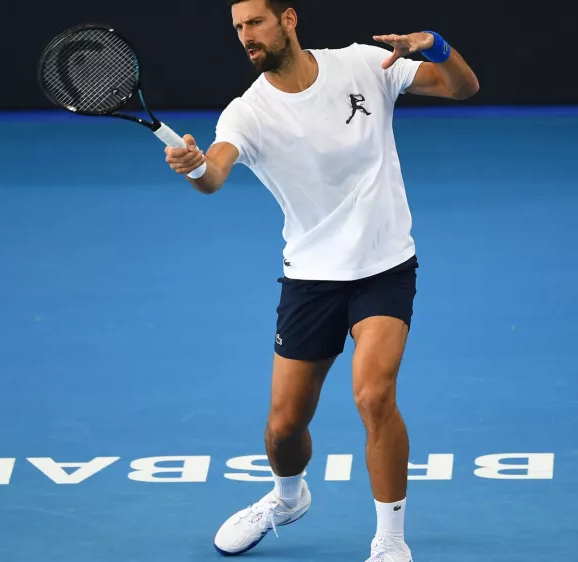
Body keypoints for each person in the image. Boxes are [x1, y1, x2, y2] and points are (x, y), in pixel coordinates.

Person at [164, 1, 479, 560]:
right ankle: (288, 498)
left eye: (255, 23)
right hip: (310, 278)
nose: (246, 37)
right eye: (238, 29)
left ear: (288, 20)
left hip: (384, 266)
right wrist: (193, 166)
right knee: (284, 428)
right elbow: (214, 174)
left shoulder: (362, 65)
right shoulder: (247, 112)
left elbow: (461, 87)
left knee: (373, 394)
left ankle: (390, 541)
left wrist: (436, 45)